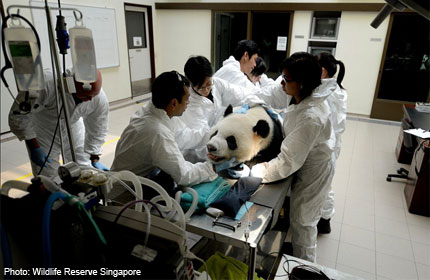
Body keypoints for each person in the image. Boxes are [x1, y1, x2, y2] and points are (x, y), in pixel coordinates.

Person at [251, 52, 337, 262]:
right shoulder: (304, 96)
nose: (281, 83)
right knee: (300, 217)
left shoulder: (311, 116)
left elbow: (287, 161)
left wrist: (256, 171)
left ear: (302, 83)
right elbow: (294, 115)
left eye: (286, 79)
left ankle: (305, 266)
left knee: (303, 221)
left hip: (313, 169)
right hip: (308, 158)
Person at [111, 71, 235, 192]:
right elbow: (184, 175)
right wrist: (212, 167)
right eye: (187, 99)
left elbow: (186, 136)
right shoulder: (157, 133)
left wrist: (216, 133)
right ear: (174, 103)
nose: (188, 103)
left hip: (131, 179)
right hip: (124, 193)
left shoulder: (155, 111)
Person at [9, 68, 110, 179]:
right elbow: (19, 115)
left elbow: (98, 127)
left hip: (73, 127)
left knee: (84, 169)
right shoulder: (43, 85)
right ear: (72, 84)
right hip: (43, 129)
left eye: (94, 94)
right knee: (47, 175)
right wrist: (34, 147)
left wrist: (94, 158)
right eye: (86, 95)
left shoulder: (98, 97)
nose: (91, 99)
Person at [175, 55, 263, 163]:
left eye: (208, 84)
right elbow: (201, 139)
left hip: (217, 138)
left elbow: (240, 94)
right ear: (191, 83)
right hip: (197, 155)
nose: (206, 90)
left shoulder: (217, 84)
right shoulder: (190, 104)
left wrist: (258, 102)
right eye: (201, 87)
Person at [316, 52, 347, 234]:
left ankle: (324, 220)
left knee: (324, 184)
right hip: (333, 143)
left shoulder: (326, 92)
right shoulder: (339, 89)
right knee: (326, 182)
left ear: (322, 71)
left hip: (327, 145)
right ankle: (325, 218)